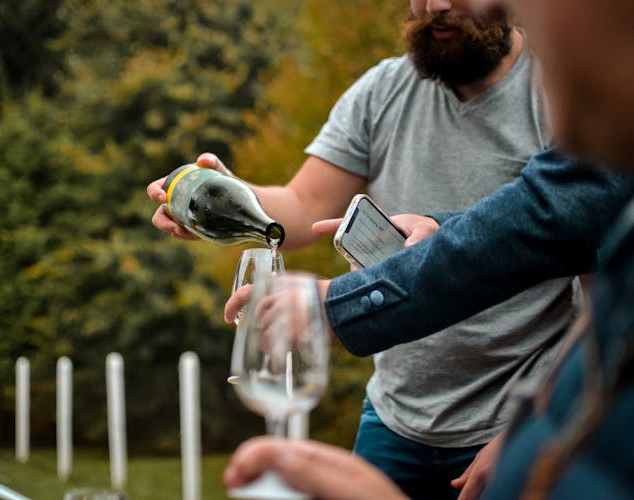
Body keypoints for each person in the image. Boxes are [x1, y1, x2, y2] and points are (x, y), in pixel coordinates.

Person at [149, 1, 573, 497]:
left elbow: (597, 291)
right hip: (394, 419)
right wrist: (221, 193)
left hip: (516, 420)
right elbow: (303, 205)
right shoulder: (384, 89)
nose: (435, 5)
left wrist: (535, 423)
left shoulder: (561, 91)